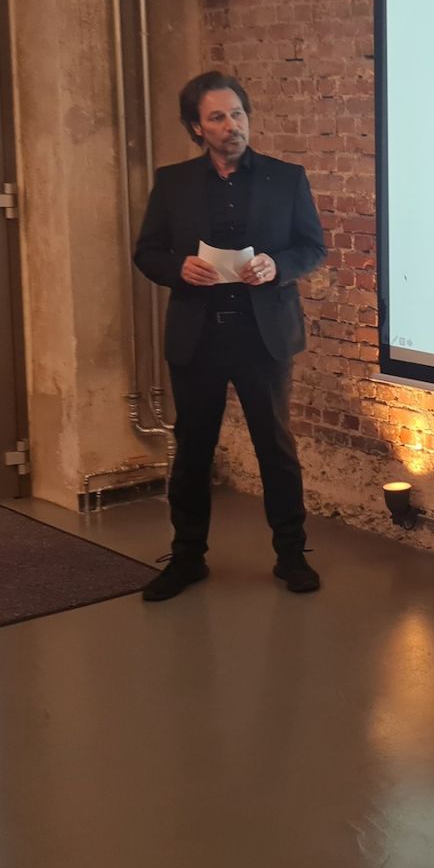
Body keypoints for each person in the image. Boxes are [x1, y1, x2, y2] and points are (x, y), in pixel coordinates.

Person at [133, 71, 327, 601]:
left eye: (237, 114)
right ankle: (187, 558)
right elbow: (147, 252)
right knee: (193, 451)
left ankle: (291, 555)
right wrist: (179, 268)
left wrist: (277, 266)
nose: (231, 125)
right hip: (198, 337)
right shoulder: (173, 183)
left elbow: (312, 247)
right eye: (217, 117)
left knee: (275, 449)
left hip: (263, 337)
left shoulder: (286, 178)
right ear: (197, 127)